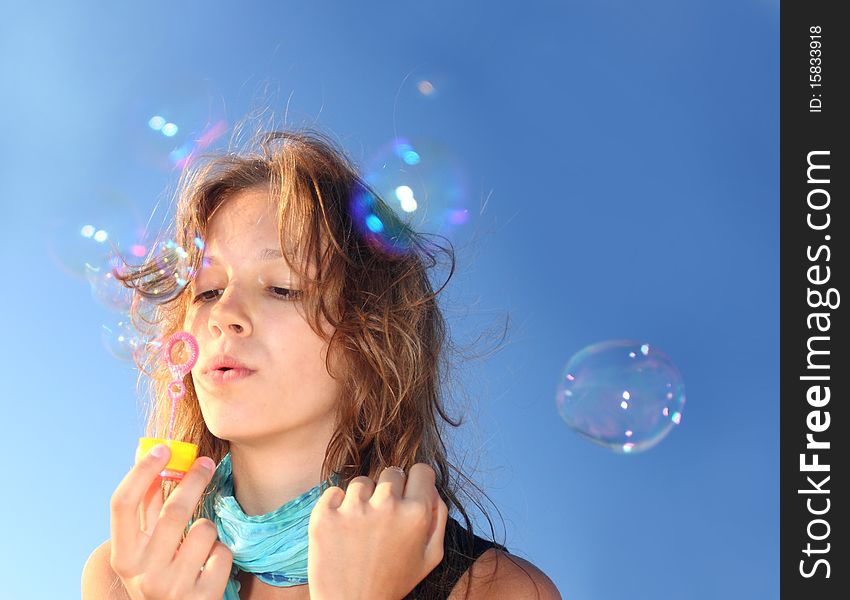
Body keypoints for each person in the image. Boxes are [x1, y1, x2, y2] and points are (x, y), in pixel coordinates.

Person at [81, 128, 561, 599]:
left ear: (371, 338)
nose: (223, 315)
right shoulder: (124, 578)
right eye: (206, 291)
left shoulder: (497, 590)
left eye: (281, 287)